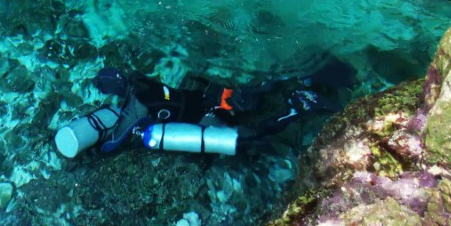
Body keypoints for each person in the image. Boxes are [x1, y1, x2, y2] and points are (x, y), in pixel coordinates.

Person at [53, 66, 319, 158]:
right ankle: (298, 77)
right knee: (250, 95)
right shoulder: (137, 81)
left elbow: (110, 145)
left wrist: (99, 143)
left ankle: (296, 108)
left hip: (207, 115)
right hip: (206, 94)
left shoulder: (130, 121)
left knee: (248, 137)